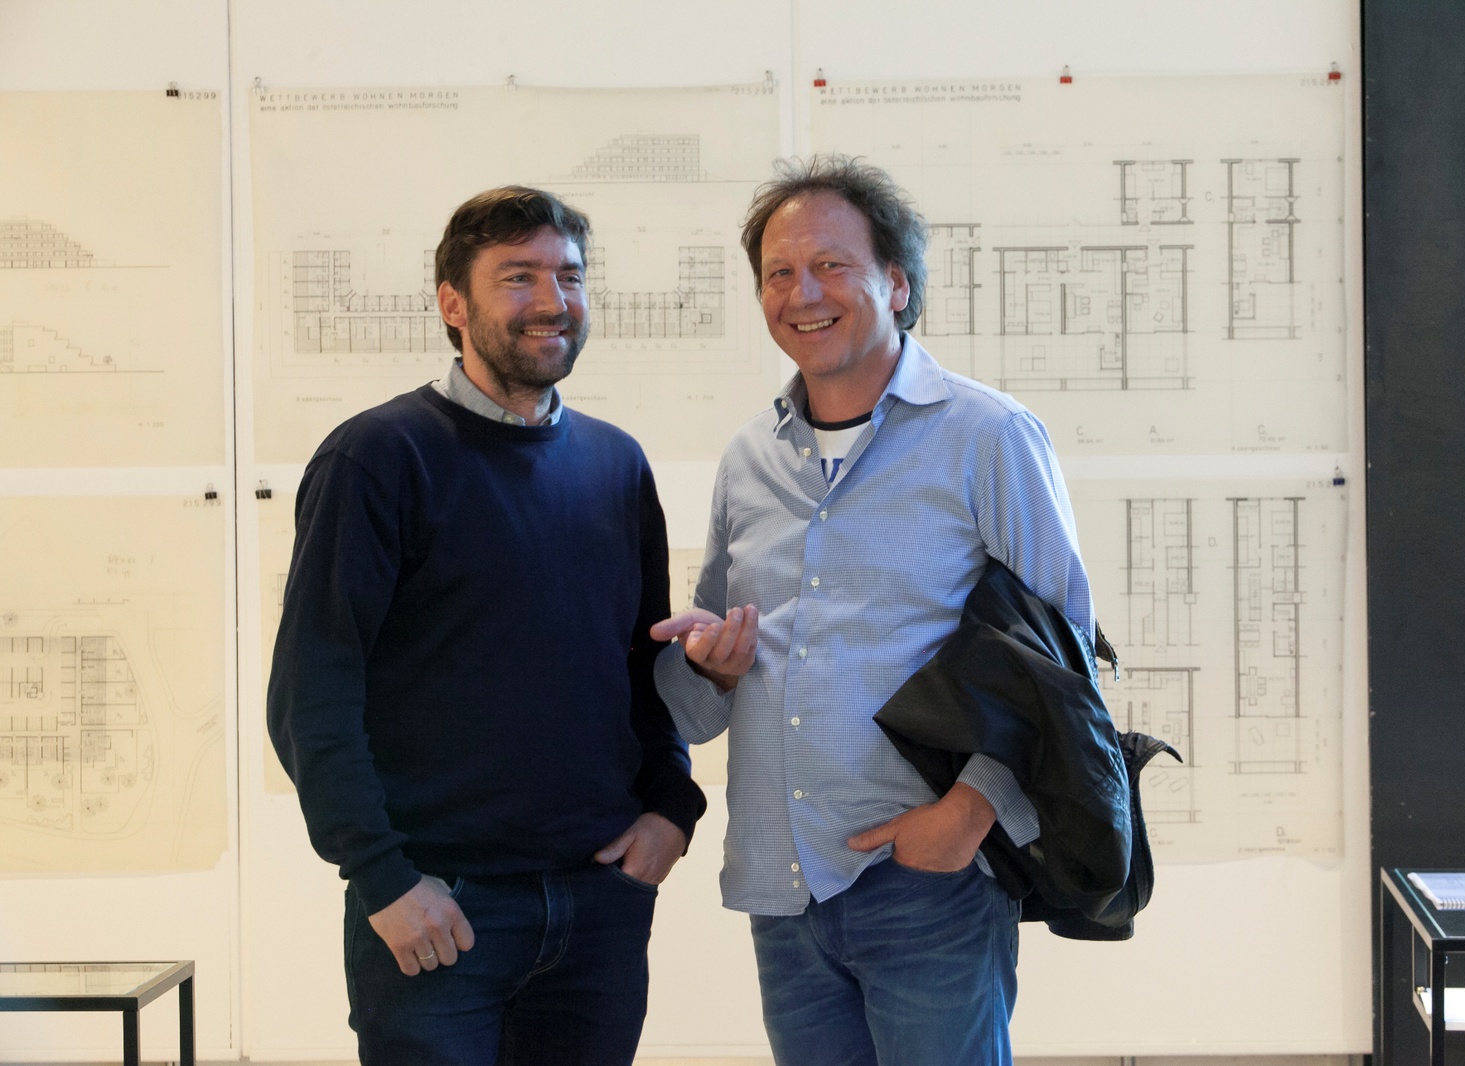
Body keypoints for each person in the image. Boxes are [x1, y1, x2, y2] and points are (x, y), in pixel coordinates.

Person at [651, 156, 1094, 1066]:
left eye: (831, 265)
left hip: (930, 880)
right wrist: (705, 669)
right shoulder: (747, 460)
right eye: (779, 272)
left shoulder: (987, 435)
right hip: (784, 890)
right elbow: (697, 709)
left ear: (896, 282)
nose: (802, 293)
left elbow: (1065, 652)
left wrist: (970, 812)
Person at [268, 185, 704, 1066]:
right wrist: (381, 877)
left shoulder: (616, 465)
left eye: (569, 276)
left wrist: (672, 807)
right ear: (453, 304)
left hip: (599, 906)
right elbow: (312, 695)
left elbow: (639, 669)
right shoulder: (377, 458)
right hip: (440, 909)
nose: (552, 300)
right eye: (518, 277)